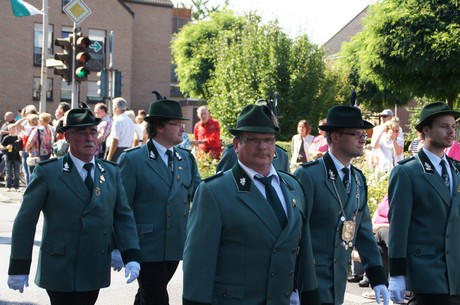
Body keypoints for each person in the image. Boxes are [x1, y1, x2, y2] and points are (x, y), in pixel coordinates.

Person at [183, 104, 320, 305]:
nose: (263, 146)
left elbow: (304, 252)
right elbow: (198, 264)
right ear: (237, 144)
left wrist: (310, 296)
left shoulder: (292, 186)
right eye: (254, 140)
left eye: (268, 140)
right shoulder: (215, 192)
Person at [7, 108, 141, 305]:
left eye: (93, 132)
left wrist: (128, 252)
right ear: (67, 137)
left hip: (94, 264)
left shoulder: (110, 172)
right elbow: (25, 221)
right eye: (81, 132)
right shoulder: (49, 173)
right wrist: (19, 266)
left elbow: (123, 215)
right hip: (60, 265)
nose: (89, 138)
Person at [294, 105, 389, 305]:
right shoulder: (309, 175)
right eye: (356, 134)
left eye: (364, 134)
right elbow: (296, 234)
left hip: (337, 283)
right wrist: (294, 286)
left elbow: (362, 231)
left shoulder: (357, 179)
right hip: (309, 282)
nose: (363, 138)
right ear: (335, 137)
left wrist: (378, 277)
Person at [117, 98, 201, 305]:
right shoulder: (133, 159)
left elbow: (199, 196)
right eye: (177, 124)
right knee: (156, 297)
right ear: (159, 127)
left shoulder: (186, 159)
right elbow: (120, 206)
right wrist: (119, 245)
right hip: (145, 245)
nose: (183, 129)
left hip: (175, 242)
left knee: (148, 294)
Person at [388, 102, 460, 305]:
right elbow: (398, 227)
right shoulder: (408, 171)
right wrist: (397, 273)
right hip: (426, 272)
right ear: (426, 130)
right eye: (444, 126)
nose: (451, 131)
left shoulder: (456, 170)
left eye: (453, 126)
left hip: (456, 271)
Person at [105, 97, 136, 162]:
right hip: (127, 150)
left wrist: (109, 156)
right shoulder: (130, 120)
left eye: (113, 106)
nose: (112, 108)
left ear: (116, 108)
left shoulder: (118, 121)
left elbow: (115, 140)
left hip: (116, 151)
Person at [0, 125, 22, 191]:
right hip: (8, 156)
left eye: (14, 129)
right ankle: (8, 186)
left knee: (17, 172)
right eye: (11, 129)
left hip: (16, 156)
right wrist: (6, 147)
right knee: (8, 172)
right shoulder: (6, 138)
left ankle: (16, 186)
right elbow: (1, 146)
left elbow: (21, 147)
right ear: (9, 130)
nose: (13, 130)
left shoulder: (18, 137)